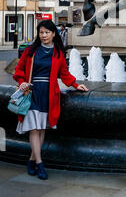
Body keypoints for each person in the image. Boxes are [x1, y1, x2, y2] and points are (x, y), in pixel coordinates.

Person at [13, 20, 88, 180]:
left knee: (41, 129)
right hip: (31, 92)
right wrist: (22, 83)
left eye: (47, 32)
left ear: (54, 33)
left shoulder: (58, 53)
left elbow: (64, 74)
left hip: (49, 93)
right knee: (34, 128)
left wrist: (75, 84)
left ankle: (31, 160)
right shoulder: (31, 51)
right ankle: (40, 163)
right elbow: (18, 70)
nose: (44, 35)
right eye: (41, 32)